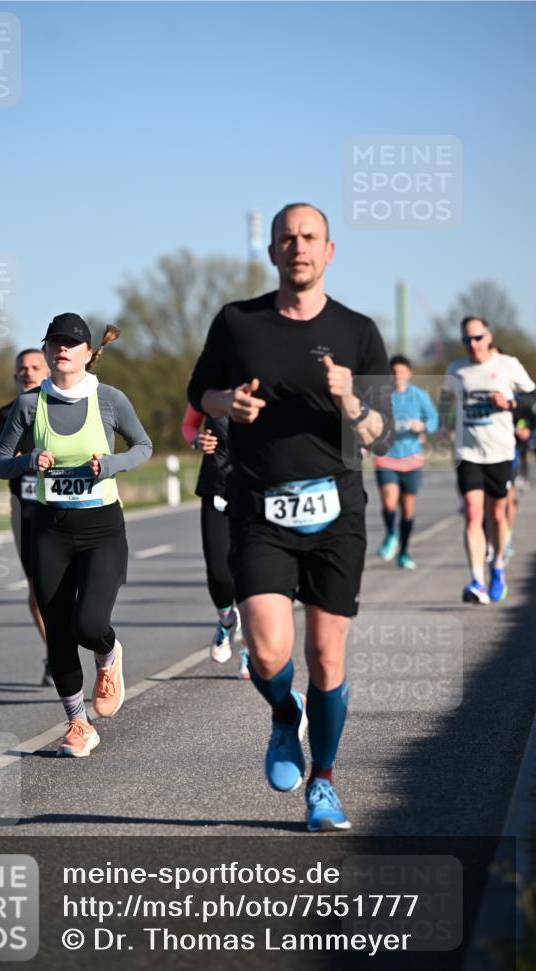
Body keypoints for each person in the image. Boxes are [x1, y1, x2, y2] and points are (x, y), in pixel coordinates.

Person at [188, 203, 393, 832]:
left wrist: (350, 399)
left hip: (337, 510)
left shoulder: (358, 331)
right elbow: (200, 393)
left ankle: (323, 783)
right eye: (287, 238)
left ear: (328, 251)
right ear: (273, 251)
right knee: (267, 650)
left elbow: (381, 433)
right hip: (260, 508)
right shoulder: (237, 322)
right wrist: (227, 403)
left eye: (309, 237)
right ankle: (285, 713)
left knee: (327, 655)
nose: (298, 246)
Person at [0, 313, 152, 757]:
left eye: (71, 342)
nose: (62, 348)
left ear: (88, 353)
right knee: (59, 632)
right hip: (50, 530)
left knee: (89, 625)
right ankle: (78, 723)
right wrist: (27, 460)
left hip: (101, 527)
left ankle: (108, 655)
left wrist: (111, 464)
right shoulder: (29, 405)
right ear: (46, 350)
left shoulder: (110, 399)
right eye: (55, 342)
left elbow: (144, 446)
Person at [441, 317, 534, 604]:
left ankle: (497, 567)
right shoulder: (456, 369)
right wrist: (445, 425)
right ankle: (477, 581)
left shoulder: (508, 364)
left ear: (489, 336)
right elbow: (445, 403)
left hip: (500, 452)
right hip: (468, 453)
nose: (473, 344)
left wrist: (510, 404)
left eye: (478, 338)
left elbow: (532, 397)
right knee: (472, 513)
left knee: (497, 515)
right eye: (466, 339)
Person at [0, 348, 52, 684]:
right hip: (25, 511)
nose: (28, 372)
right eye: (22, 368)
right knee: (38, 593)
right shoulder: (4, 415)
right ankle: (56, 654)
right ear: (15, 376)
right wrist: (23, 460)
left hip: (61, 508)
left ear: (48, 372)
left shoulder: (61, 409)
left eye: (35, 367)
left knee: (70, 588)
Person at [181, 404, 250, 678]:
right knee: (219, 573)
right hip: (217, 487)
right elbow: (189, 424)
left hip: (256, 490)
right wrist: (196, 440)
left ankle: (249, 649)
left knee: (252, 575)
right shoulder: (209, 389)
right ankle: (226, 619)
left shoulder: (268, 386)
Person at [375, 355, 439, 569]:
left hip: (412, 458)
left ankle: (403, 552)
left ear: (409, 373)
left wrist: (423, 426)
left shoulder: (419, 395)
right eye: (394, 372)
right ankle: (390, 533)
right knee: (389, 501)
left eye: (402, 371)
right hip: (387, 456)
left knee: (407, 510)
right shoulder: (382, 396)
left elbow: (434, 419)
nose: (398, 376)